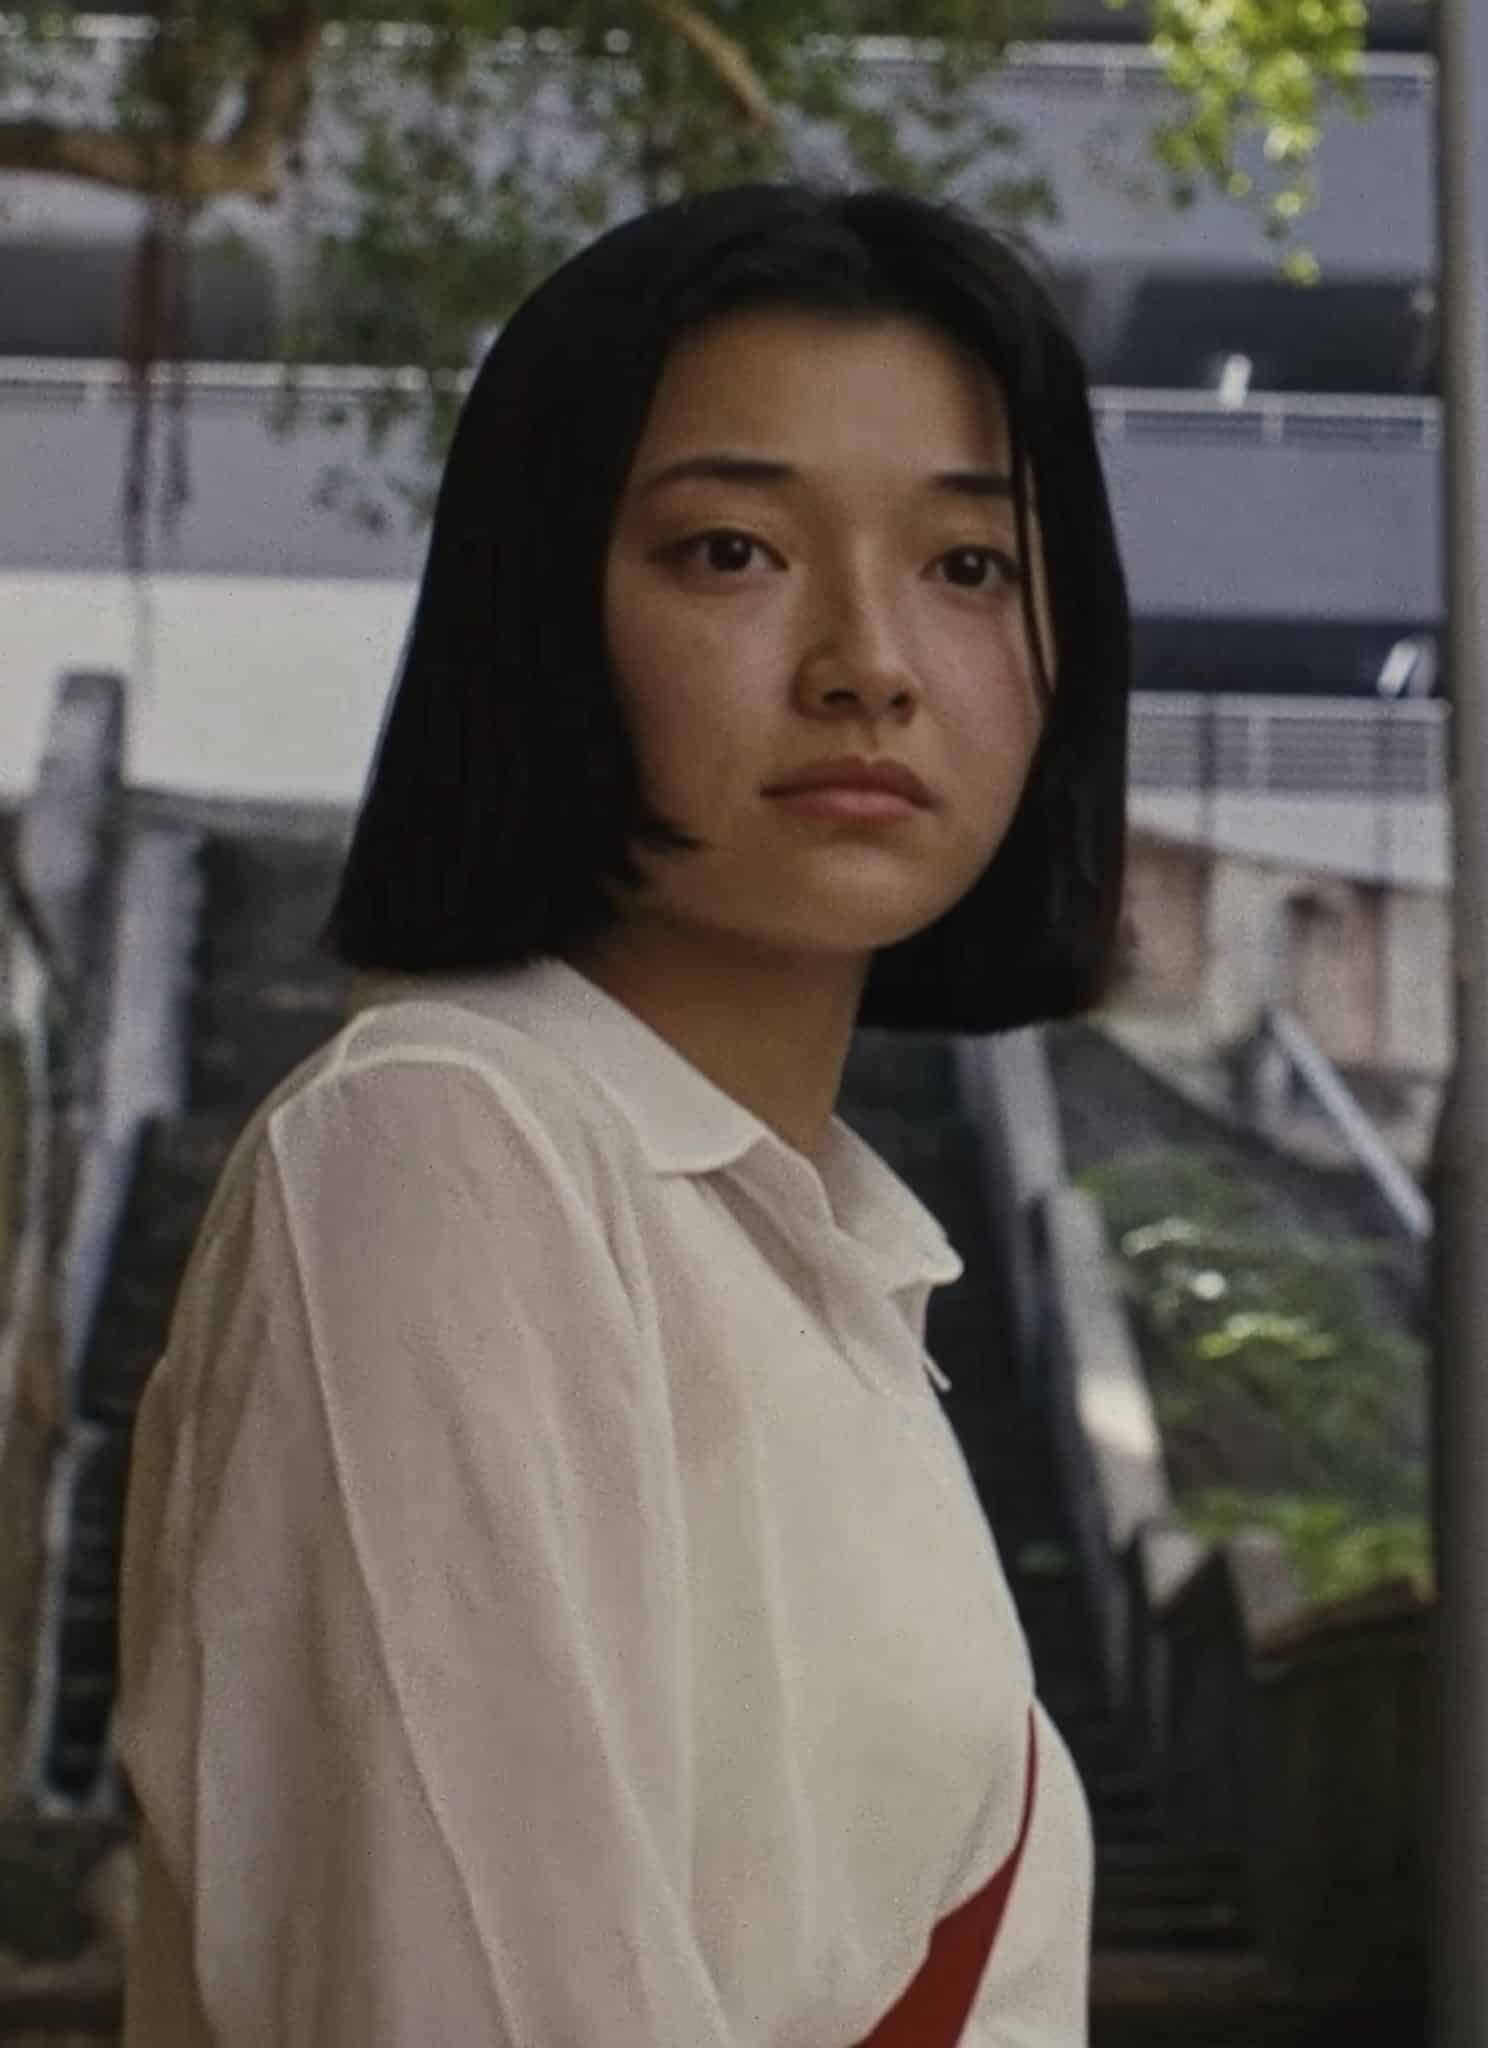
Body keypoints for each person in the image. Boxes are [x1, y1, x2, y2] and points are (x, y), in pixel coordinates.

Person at [116, 180, 1130, 2046]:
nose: (869, 661)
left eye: (967, 566)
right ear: (541, 611)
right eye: (732, 552)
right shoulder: (444, 1153)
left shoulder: (827, 1265)